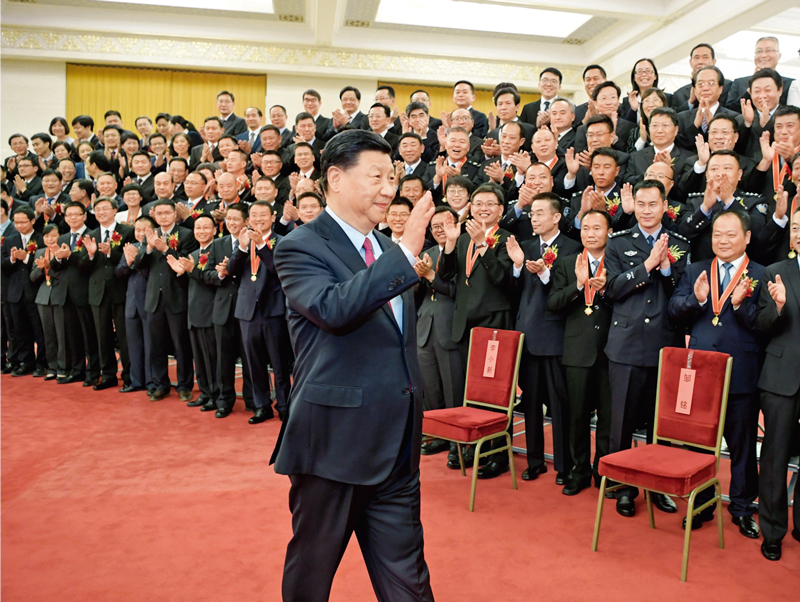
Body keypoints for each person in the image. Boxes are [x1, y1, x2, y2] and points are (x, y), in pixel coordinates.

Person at [272, 130, 435, 601]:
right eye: (378, 177)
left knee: (409, 580)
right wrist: (405, 253)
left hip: (397, 447)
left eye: (394, 177)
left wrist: (399, 252)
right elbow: (334, 309)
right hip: (333, 448)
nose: (389, 188)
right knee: (312, 574)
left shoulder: (388, 250)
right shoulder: (300, 246)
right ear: (336, 178)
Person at [669, 209, 763, 538]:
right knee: (699, 445)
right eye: (717, 234)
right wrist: (695, 301)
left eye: (730, 234)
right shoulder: (696, 269)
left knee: (742, 445)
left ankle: (741, 507)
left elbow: (766, 325)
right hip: (701, 375)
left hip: (742, 372)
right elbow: (674, 308)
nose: (722, 240)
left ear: (747, 238)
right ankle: (702, 502)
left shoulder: (761, 275)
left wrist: (739, 306)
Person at [604, 179, 691, 518]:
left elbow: (681, 295)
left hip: (664, 346)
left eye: (653, 204)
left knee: (662, 426)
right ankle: (624, 487)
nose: (646, 210)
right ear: (634, 205)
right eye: (640, 204)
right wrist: (647, 266)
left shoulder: (680, 243)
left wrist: (667, 267)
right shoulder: (619, 242)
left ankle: (659, 486)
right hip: (625, 345)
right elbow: (611, 289)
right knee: (621, 422)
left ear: (664, 205)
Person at [438, 183, 514, 475]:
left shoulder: (506, 238)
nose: (483, 208)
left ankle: (496, 454)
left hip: (493, 324)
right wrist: (448, 244)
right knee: (466, 390)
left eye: (489, 204)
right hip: (463, 324)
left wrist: (484, 245)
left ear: (500, 210)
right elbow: (446, 275)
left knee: (493, 393)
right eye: (478, 203)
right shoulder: (461, 236)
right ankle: (470, 447)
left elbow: (504, 281)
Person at [507, 193, 582, 484]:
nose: (534, 218)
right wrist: (516, 267)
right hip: (527, 335)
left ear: (556, 217)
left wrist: (546, 274)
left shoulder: (572, 248)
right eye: (532, 213)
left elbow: (566, 294)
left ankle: (564, 465)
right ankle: (535, 460)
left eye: (540, 213)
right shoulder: (524, 247)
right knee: (531, 403)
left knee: (560, 405)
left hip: (555, 335)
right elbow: (514, 292)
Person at [548, 209, 613, 494]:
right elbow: (554, 303)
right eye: (585, 228)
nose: (590, 233)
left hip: (611, 350)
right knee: (577, 415)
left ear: (608, 232)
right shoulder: (566, 263)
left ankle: (604, 470)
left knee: (608, 418)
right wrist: (577, 285)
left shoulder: (616, 263)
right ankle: (579, 470)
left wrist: (605, 290)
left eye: (597, 228)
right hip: (576, 350)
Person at [754, 206, 800, 561]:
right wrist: (779, 307)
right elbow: (762, 325)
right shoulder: (775, 272)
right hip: (782, 378)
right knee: (774, 457)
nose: (798, 233)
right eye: (795, 227)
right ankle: (772, 530)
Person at [226, 201, 292, 424]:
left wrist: (262, 246)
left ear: (273, 217)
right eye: (254, 215)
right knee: (253, 362)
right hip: (247, 310)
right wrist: (243, 248)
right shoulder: (243, 242)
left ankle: (284, 404)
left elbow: (278, 269)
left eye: (263, 215)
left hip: (273, 309)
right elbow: (231, 273)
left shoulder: (281, 242)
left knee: (279, 362)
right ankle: (261, 405)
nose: (258, 219)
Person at [133, 199, 198, 402]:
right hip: (154, 298)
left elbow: (186, 263)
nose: (163, 217)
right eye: (159, 214)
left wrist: (166, 249)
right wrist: (150, 248)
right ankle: (160, 384)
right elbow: (139, 264)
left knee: (181, 345)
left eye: (167, 213)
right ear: (154, 215)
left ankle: (185, 385)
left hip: (176, 296)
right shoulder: (150, 235)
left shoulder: (186, 234)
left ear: (174, 214)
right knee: (156, 345)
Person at [414, 206, 464, 461]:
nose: (439, 229)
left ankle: (458, 443)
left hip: (450, 328)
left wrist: (431, 275)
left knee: (453, 387)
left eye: (444, 223)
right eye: (434, 226)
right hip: (425, 329)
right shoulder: (426, 252)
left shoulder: (464, 251)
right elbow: (417, 295)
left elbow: (458, 291)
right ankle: (437, 436)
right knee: (430, 388)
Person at [204, 204, 255, 417]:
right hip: (223, 310)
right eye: (229, 219)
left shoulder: (254, 243)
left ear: (246, 221)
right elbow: (206, 274)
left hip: (248, 309)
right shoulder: (217, 244)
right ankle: (224, 401)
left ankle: (254, 400)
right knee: (223, 359)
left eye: (236, 219)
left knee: (250, 358)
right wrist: (221, 274)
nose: (232, 222)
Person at [82, 197, 135, 391]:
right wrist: (90, 254)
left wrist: (110, 253)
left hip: (120, 289)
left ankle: (130, 375)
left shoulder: (127, 231)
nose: (101, 212)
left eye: (106, 208)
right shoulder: (90, 234)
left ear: (115, 210)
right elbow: (82, 266)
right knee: (101, 335)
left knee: (124, 336)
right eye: (98, 209)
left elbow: (132, 261)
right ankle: (109, 374)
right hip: (97, 291)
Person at [169, 214, 219, 410]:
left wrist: (192, 271)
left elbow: (215, 280)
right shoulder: (194, 254)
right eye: (198, 228)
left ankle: (216, 394)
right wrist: (179, 272)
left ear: (215, 230)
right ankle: (205, 392)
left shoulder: (218, 250)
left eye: (206, 227)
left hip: (212, 312)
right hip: (194, 311)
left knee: (213, 358)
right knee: (199, 357)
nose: (201, 231)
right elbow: (188, 284)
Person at [50, 202, 101, 386]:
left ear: (84, 216)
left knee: (89, 336)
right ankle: (77, 370)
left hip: (85, 292)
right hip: (65, 293)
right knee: (72, 336)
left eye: (76, 214)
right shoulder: (63, 238)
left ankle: (93, 372)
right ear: (64, 218)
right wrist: (57, 257)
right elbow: (55, 268)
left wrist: (69, 256)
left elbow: (86, 264)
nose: (72, 218)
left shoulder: (92, 235)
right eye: (69, 215)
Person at [1, 205, 47, 376]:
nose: (19, 225)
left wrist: (27, 258)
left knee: (39, 329)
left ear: (33, 221)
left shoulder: (41, 238)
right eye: (16, 222)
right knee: (20, 330)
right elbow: (2, 265)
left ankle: (42, 363)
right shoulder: (9, 239)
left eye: (23, 222)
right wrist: (12, 259)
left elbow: (41, 264)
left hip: (35, 290)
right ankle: (25, 361)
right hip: (15, 291)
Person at [115, 215, 155, 393]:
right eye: (137, 230)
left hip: (150, 302)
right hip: (131, 303)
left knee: (151, 346)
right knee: (134, 345)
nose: (140, 233)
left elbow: (151, 274)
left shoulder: (155, 249)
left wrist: (135, 263)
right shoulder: (131, 247)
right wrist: (128, 263)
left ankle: (152, 382)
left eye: (144, 230)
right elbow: (119, 273)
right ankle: (136, 380)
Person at [31, 223, 63, 380]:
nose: (50, 239)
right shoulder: (39, 252)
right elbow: (32, 277)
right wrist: (41, 269)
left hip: (60, 296)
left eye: (53, 235)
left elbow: (66, 276)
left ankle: (64, 366)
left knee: (62, 334)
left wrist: (49, 268)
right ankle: (52, 366)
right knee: (48, 334)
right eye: (46, 236)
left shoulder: (62, 251)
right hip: (43, 297)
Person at [670, 43, 733, 112]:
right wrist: (690, 102)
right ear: (690, 62)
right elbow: (675, 118)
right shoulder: (679, 94)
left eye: (705, 57)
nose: (700, 62)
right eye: (696, 58)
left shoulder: (728, 86)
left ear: (713, 61)